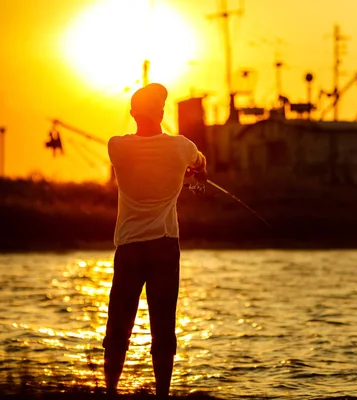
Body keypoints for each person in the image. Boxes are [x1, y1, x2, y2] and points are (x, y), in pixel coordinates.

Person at [103, 83, 207, 397]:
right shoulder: (181, 146)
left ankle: (110, 392)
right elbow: (199, 162)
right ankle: (162, 394)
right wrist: (197, 169)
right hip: (164, 245)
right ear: (161, 112)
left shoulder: (116, 146)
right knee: (163, 325)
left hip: (129, 248)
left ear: (133, 113)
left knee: (119, 322)